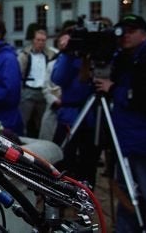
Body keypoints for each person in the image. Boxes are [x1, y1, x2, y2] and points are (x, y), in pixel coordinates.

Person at [93, 14, 146, 233]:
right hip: (123, 139)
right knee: (125, 192)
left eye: (131, 31)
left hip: (144, 142)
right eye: (123, 31)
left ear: (144, 33)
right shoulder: (122, 58)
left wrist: (115, 90)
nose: (125, 36)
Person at [50, 26, 100, 188]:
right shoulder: (68, 57)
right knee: (64, 157)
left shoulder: (92, 56)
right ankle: (60, 192)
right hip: (69, 116)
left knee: (88, 161)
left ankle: (86, 191)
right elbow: (57, 78)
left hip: (91, 115)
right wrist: (67, 54)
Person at [17, 29, 56, 137]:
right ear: (33, 40)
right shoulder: (25, 54)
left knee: (43, 122)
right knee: (23, 120)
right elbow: (19, 72)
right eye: (38, 40)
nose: (41, 43)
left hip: (43, 92)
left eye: (43, 40)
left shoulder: (50, 55)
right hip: (28, 90)